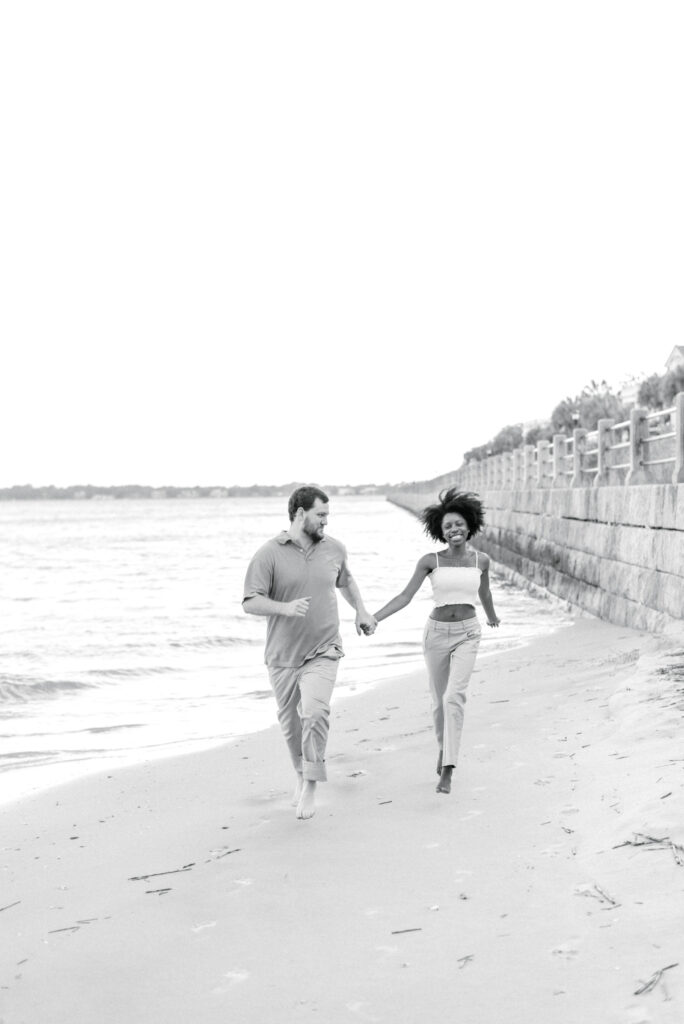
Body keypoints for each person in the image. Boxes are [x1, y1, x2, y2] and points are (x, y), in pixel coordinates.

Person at [242, 485, 376, 820]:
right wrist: (284, 608)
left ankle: (312, 784)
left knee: (314, 712)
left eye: (327, 515)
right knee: (291, 725)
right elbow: (250, 601)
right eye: (321, 515)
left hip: (324, 648)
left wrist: (361, 611)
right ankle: (301, 775)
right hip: (283, 656)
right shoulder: (268, 554)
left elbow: (345, 582)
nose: (326, 521)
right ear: (300, 514)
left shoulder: (334, 549)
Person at [373, 489, 500, 795]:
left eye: (458, 524)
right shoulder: (430, 561)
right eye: (447, 527)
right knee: (437, 703)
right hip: (436, 635)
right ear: (440, 532)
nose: (453, 530)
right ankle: (443, 748)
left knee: (453, 697)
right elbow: (405, 596)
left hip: (468, 633)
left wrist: (492, 617)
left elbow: (484, 593)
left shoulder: (482, 560)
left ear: (469, 525)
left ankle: (448, 769)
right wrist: (375, 617)